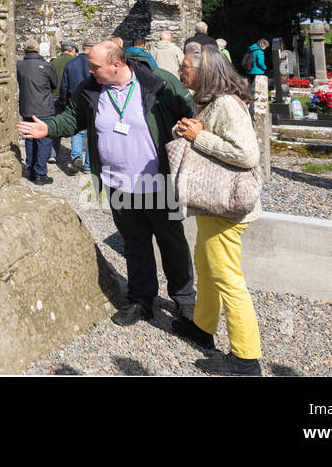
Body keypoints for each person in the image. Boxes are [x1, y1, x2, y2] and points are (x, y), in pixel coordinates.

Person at [19, 41, 197, 328]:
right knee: (134, 243)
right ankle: (141, 300)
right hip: (117, 183)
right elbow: (72, 118)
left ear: (116, 65)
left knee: (172, 243)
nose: (89, 70)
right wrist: (47, 128)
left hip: (157, 181)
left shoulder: (159, 83)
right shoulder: (91, 88)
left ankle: (185, 302)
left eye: (95, 66)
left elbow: (190, 114)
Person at [172, 42, 263, 376]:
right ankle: (202, 327)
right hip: (216, 207)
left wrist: (199, 138)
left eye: (185, 66)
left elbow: (247, 155)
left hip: (227, 209)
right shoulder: (210, 102)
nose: (180, 70)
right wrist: (190, 130)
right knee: (207, 267)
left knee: (227, 278)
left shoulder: (225, 104)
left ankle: (246, 359)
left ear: (204, 71)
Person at [17, 40, 61, 184]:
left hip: (26, 108)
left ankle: (30, 168)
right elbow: (55, 84)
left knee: (29, 138)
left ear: (24, 51)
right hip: (44, 108)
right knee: (44, 140)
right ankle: (40, 173)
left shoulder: (18, 66)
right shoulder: (46, 66)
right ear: (38, 51)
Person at [59, 42, 93, 172]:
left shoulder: (71, 63)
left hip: (76, 101)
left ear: (82, 49)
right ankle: (89, 166)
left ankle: (76, 156)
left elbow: (64, 85)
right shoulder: (95, 63)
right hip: (92, 101)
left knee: (77, 131)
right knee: (91, 133)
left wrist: (65, 101)